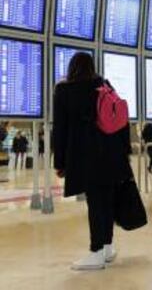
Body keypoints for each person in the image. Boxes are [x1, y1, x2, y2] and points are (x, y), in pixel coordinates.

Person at [53, 52, 132, 270]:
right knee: (106, 201)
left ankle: (96, 252)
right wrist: (125, 153)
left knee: (96, 204)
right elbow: (122, 120)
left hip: (86, 157)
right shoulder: (104, 85)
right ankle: (107, 247)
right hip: (112, 155)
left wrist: (60, 162)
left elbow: (60, 130)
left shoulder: (64, 90)